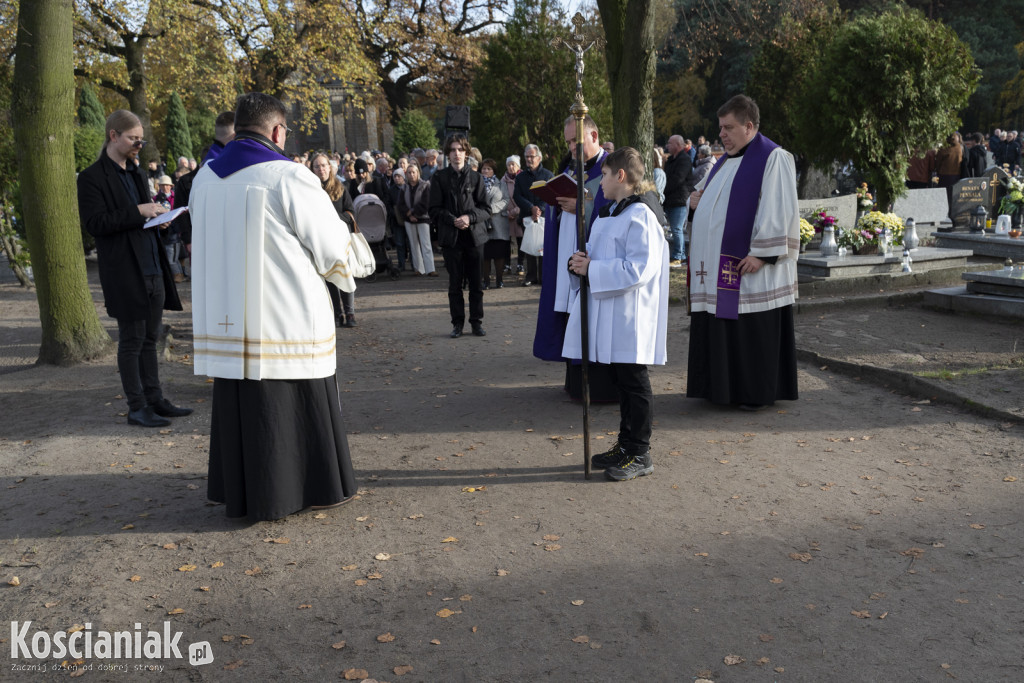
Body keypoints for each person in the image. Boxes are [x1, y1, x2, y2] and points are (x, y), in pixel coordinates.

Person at [189, 92, 362, 521]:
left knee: (243, 402)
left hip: (228, 319)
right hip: (284, 316)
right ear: (278, 131)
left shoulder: (205, 176)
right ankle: (302, 489)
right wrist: (354, 258)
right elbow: (330, 250)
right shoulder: (289, 177)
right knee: (293, 401)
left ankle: (244, 491)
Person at [77, 109, 189, 428]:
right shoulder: (92, 178)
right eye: (133, 139)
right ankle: (136, 406)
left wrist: (161, 220)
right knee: (131, 339)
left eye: (141, 140)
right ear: (113, 135)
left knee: (151, 337)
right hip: (124, 270)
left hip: (152, 265)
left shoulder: (138, 174)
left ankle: (155, 399)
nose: (139, 145)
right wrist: (137, 211)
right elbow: (95, 223)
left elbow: (144, 219)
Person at [686, 94, 799, 410]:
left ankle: (751, 392)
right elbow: (708, 202)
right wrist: (694, 203)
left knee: (748, 331)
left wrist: (763, 254)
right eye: (720, 128)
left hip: (751, 268)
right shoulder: (722, 161)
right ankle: (720, 389)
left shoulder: (773, 158)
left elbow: (780, 209)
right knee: (721, 328)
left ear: (749, 126)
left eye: (728, 128)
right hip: (719, 270)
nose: (721, 134)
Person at [564, 147, 668, 481]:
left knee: (635, 382)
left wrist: (593, 267)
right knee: (622, 382)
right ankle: (625, 445)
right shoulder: (611, 213)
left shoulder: (641, 216)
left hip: (631, 315)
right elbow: (598, 258)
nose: (600, 183)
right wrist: (580, 264)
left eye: (604, 175)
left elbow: (639, 269)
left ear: (620, 175)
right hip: (613, 313)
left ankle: (640, 452)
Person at [534, 114, 617, 403]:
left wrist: (582, 207)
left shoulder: (611, 169)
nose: (571, 147)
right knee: (572, 316)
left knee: (591, 317)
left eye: (576, 141)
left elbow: (616, 212)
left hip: (596, 264)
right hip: (569, 260)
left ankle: (596, 387)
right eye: (568, 141)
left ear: (593, 136)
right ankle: (574, 382)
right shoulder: (572, 169)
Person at [428, 132, 489, 338]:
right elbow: (433, 209)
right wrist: (451, 218)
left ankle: (476, 322)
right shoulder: (439, 177)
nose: (456, 154)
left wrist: (469, 218)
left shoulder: (476, 177)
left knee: (475, 283)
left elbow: (486, 209)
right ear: (447, 153)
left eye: (460, 150)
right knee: (455, 284)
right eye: (453, 150)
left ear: (466, 152)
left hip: (474, 238)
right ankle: (457, 324)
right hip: (451, 238)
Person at [311, 152, 359, 327]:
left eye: (324, 165)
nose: (321, 169)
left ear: (330, 168)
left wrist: (332, 217)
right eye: (317, 166)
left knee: (345, 275)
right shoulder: (308, 189)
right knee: (330, 277)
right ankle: (337, 313)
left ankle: (350, 313)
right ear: (312, 169)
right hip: (320, 241)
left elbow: (351, 213)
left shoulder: (340, 187)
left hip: (340, 240)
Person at [513, 143, 553, 285]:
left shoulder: (548, 175)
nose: (529, 159)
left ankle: (543, 276)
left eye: (532, 156)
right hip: (527, 216)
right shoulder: (520, 177)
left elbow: (551, 194)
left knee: (543, 247)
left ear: (539, 158)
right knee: (530, 246)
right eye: (527, 156)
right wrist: (531, 208)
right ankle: (531, 276)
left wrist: (539, 208)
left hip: (543, 217)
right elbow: (517, 195)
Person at [396, 160, 435, 277]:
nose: (411, 175)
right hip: (409, 220)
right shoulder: (404, 188)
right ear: (406, 174)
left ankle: (430, 269)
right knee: (413, 244)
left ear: (418, 173)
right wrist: (409, 215)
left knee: (426, 244)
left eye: (413, 172)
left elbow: (426, 203)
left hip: (423, 218)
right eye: (409, 173)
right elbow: (400, 204)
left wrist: (414, 213)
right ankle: (419, 268)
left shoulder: (425, 185)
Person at [480, 158, 511, 289]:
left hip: (498, 223)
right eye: (484, 168)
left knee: (499, 254)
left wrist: (492, 209)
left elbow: (506, 200)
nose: (486, 171)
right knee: (485, 255)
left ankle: (499, 280)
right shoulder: (477, 183)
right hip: (482, 223)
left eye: (489, 169)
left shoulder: (501, 184)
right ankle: (486, 281)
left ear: (494, 171)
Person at [663, 134, 693, 269]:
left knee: (677, 229)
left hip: (679, 200)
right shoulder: (670, 160)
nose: (667, 146)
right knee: (672, 229)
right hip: (670, 199)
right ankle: (676, 255)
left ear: (678, 145)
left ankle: (679, 256)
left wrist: (663, 189)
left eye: (670, 143)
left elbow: (678, 179)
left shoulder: (684, 160)